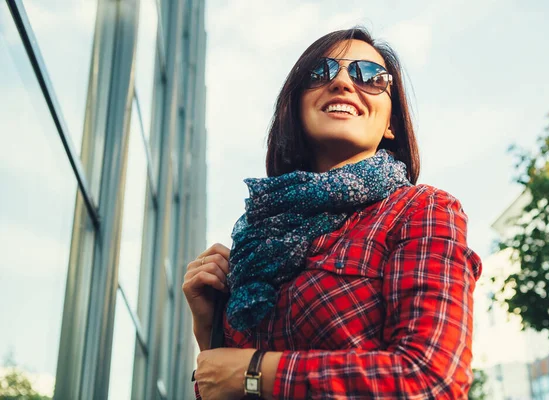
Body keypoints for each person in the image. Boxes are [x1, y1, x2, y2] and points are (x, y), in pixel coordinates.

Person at [183, 26, 482, 400]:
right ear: (295, 107)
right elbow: (224, 385)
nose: (342, 81)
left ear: (391, 122)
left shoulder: (419, 210)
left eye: (371, 77)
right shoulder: (258, 242)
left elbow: (431, 380)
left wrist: (255, 371)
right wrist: (208, 328)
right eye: (320, 72)